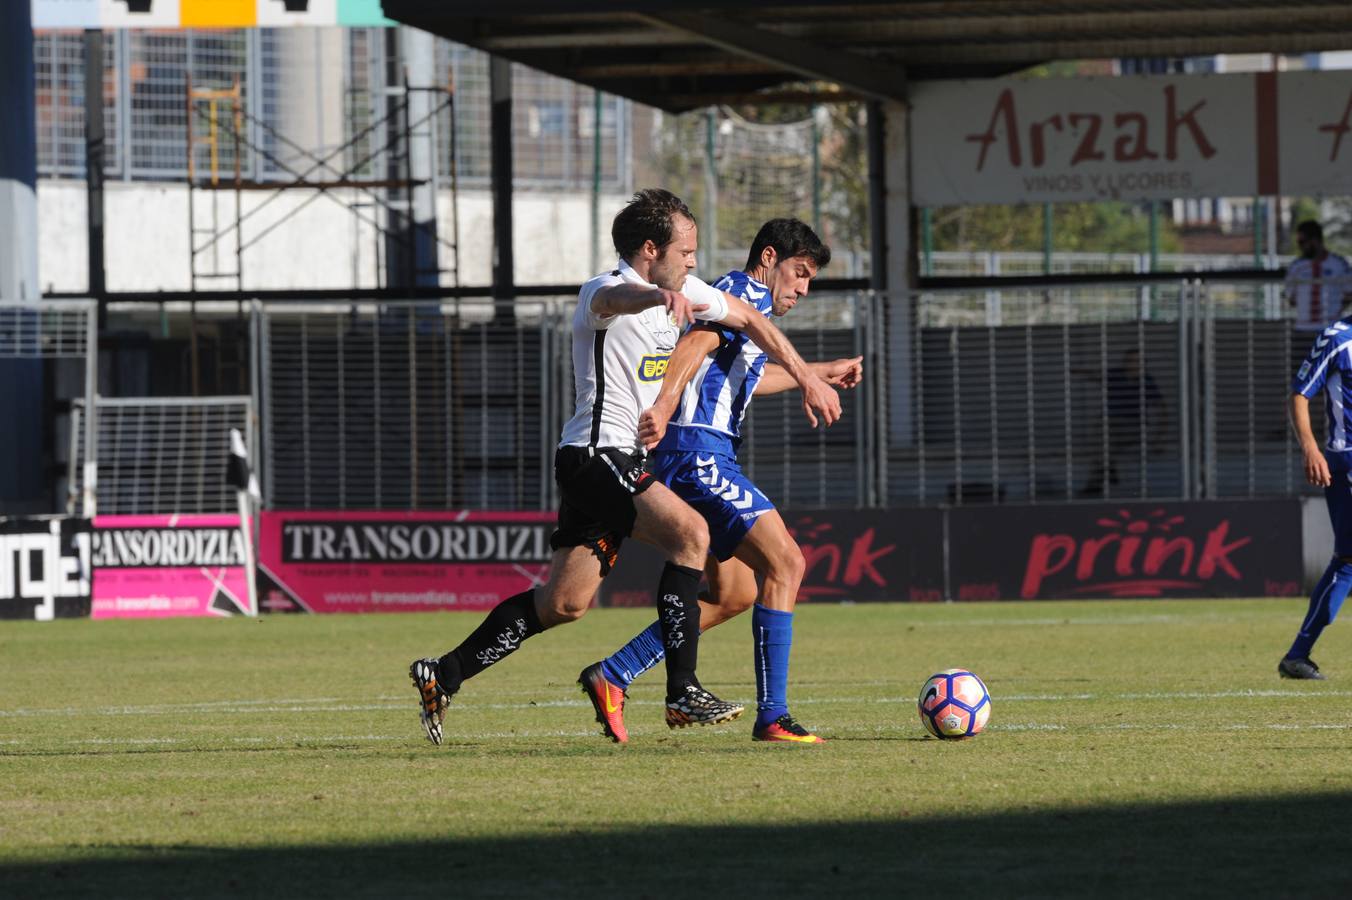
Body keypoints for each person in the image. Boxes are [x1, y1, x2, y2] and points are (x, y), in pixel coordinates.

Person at [408, 190, 842, 744]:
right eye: (684, 251)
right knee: (692, 534)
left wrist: (810, 373)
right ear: (649, 249)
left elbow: (751, 319)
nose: (692, 261)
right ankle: (682, 691)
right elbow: (618, 298)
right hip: (597, 455)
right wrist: (655, 297)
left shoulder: (692, 291)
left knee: (563, 603)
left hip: (617, 463)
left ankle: (443, 674)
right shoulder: (603, 291)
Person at [576, 218, 862, 745]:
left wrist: (818, 371)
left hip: (702, 453)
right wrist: (663, 405)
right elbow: (693, 347)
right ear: (770, 257)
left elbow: (745, 377)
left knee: (733, 594)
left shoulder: (753, 310)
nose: (803, 289)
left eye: (810, 281)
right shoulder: (738, 291)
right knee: (788, 563)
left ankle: (613, 674)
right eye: (800, 273)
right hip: (696, 452)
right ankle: (773, 715)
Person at [1280, 313, 1352, 679]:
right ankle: (1297, 655)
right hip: (1348, 461)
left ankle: (1297, 655)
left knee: (1347, 562)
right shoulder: (1338, 338)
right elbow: (1300, 393)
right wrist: (1310, 449)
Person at [1078, 347, 1164, 498]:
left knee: (1105, 443)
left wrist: (1158, 439)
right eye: (1130, 361)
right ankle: (1104, 473)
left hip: (1134, 426)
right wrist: (1076, 371)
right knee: (1102, 435)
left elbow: (1162, 410)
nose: (1133, 364)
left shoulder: (1147, 381)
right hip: (1110, 423)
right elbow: (1095, 375)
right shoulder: (1116, 375)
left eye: (1137, 361)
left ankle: (1104, 473)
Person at [1286, 220, 1352, 334]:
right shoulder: (1296, 266)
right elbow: (1291, 298)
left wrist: (1334, 312)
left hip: (1331, 329)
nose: (1300, 246)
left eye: (1302, 242)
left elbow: (1349, 294)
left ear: (1315, 240)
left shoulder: (1339, 264)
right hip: (1303, 329)